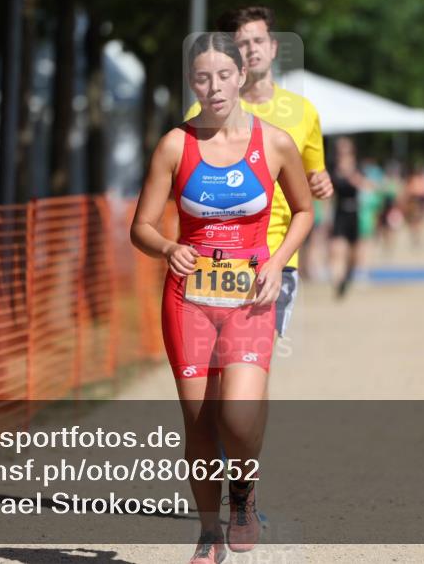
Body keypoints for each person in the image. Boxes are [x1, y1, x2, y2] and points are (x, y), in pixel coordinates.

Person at [131, 32, 312, 563]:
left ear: (241, 77)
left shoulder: (274, 143)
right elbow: (140, 227)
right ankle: (210, 534)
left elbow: (304, 211)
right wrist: (169, 248)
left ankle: (244, 494)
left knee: (238, 416)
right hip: (188, 300)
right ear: (192, 82)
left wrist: (277, 263)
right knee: (201, 426)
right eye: (202, 78)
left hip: (251, 298)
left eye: (224, 76)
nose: (213, 87)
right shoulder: (174, 145)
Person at [185, 6, 332, 345]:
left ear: (274, 47)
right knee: (215, 362)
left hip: (277, 255)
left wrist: (322, 182)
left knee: (252, 357)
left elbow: (315, 177)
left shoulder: (303, 112)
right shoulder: (205, 109)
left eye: (259, 41)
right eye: (242, 43)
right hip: (214, 257)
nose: (252, 49)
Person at [329, 137, 372, 299]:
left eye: (346, 150)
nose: (343, 154)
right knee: (337, 250)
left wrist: (351, 175)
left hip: (355, 213)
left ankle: (347, 278)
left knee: (353, 254)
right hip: (339, 213)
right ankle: (337, 282)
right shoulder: (332, 169)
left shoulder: (358, 168)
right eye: (340, 151)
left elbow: (367, 186)